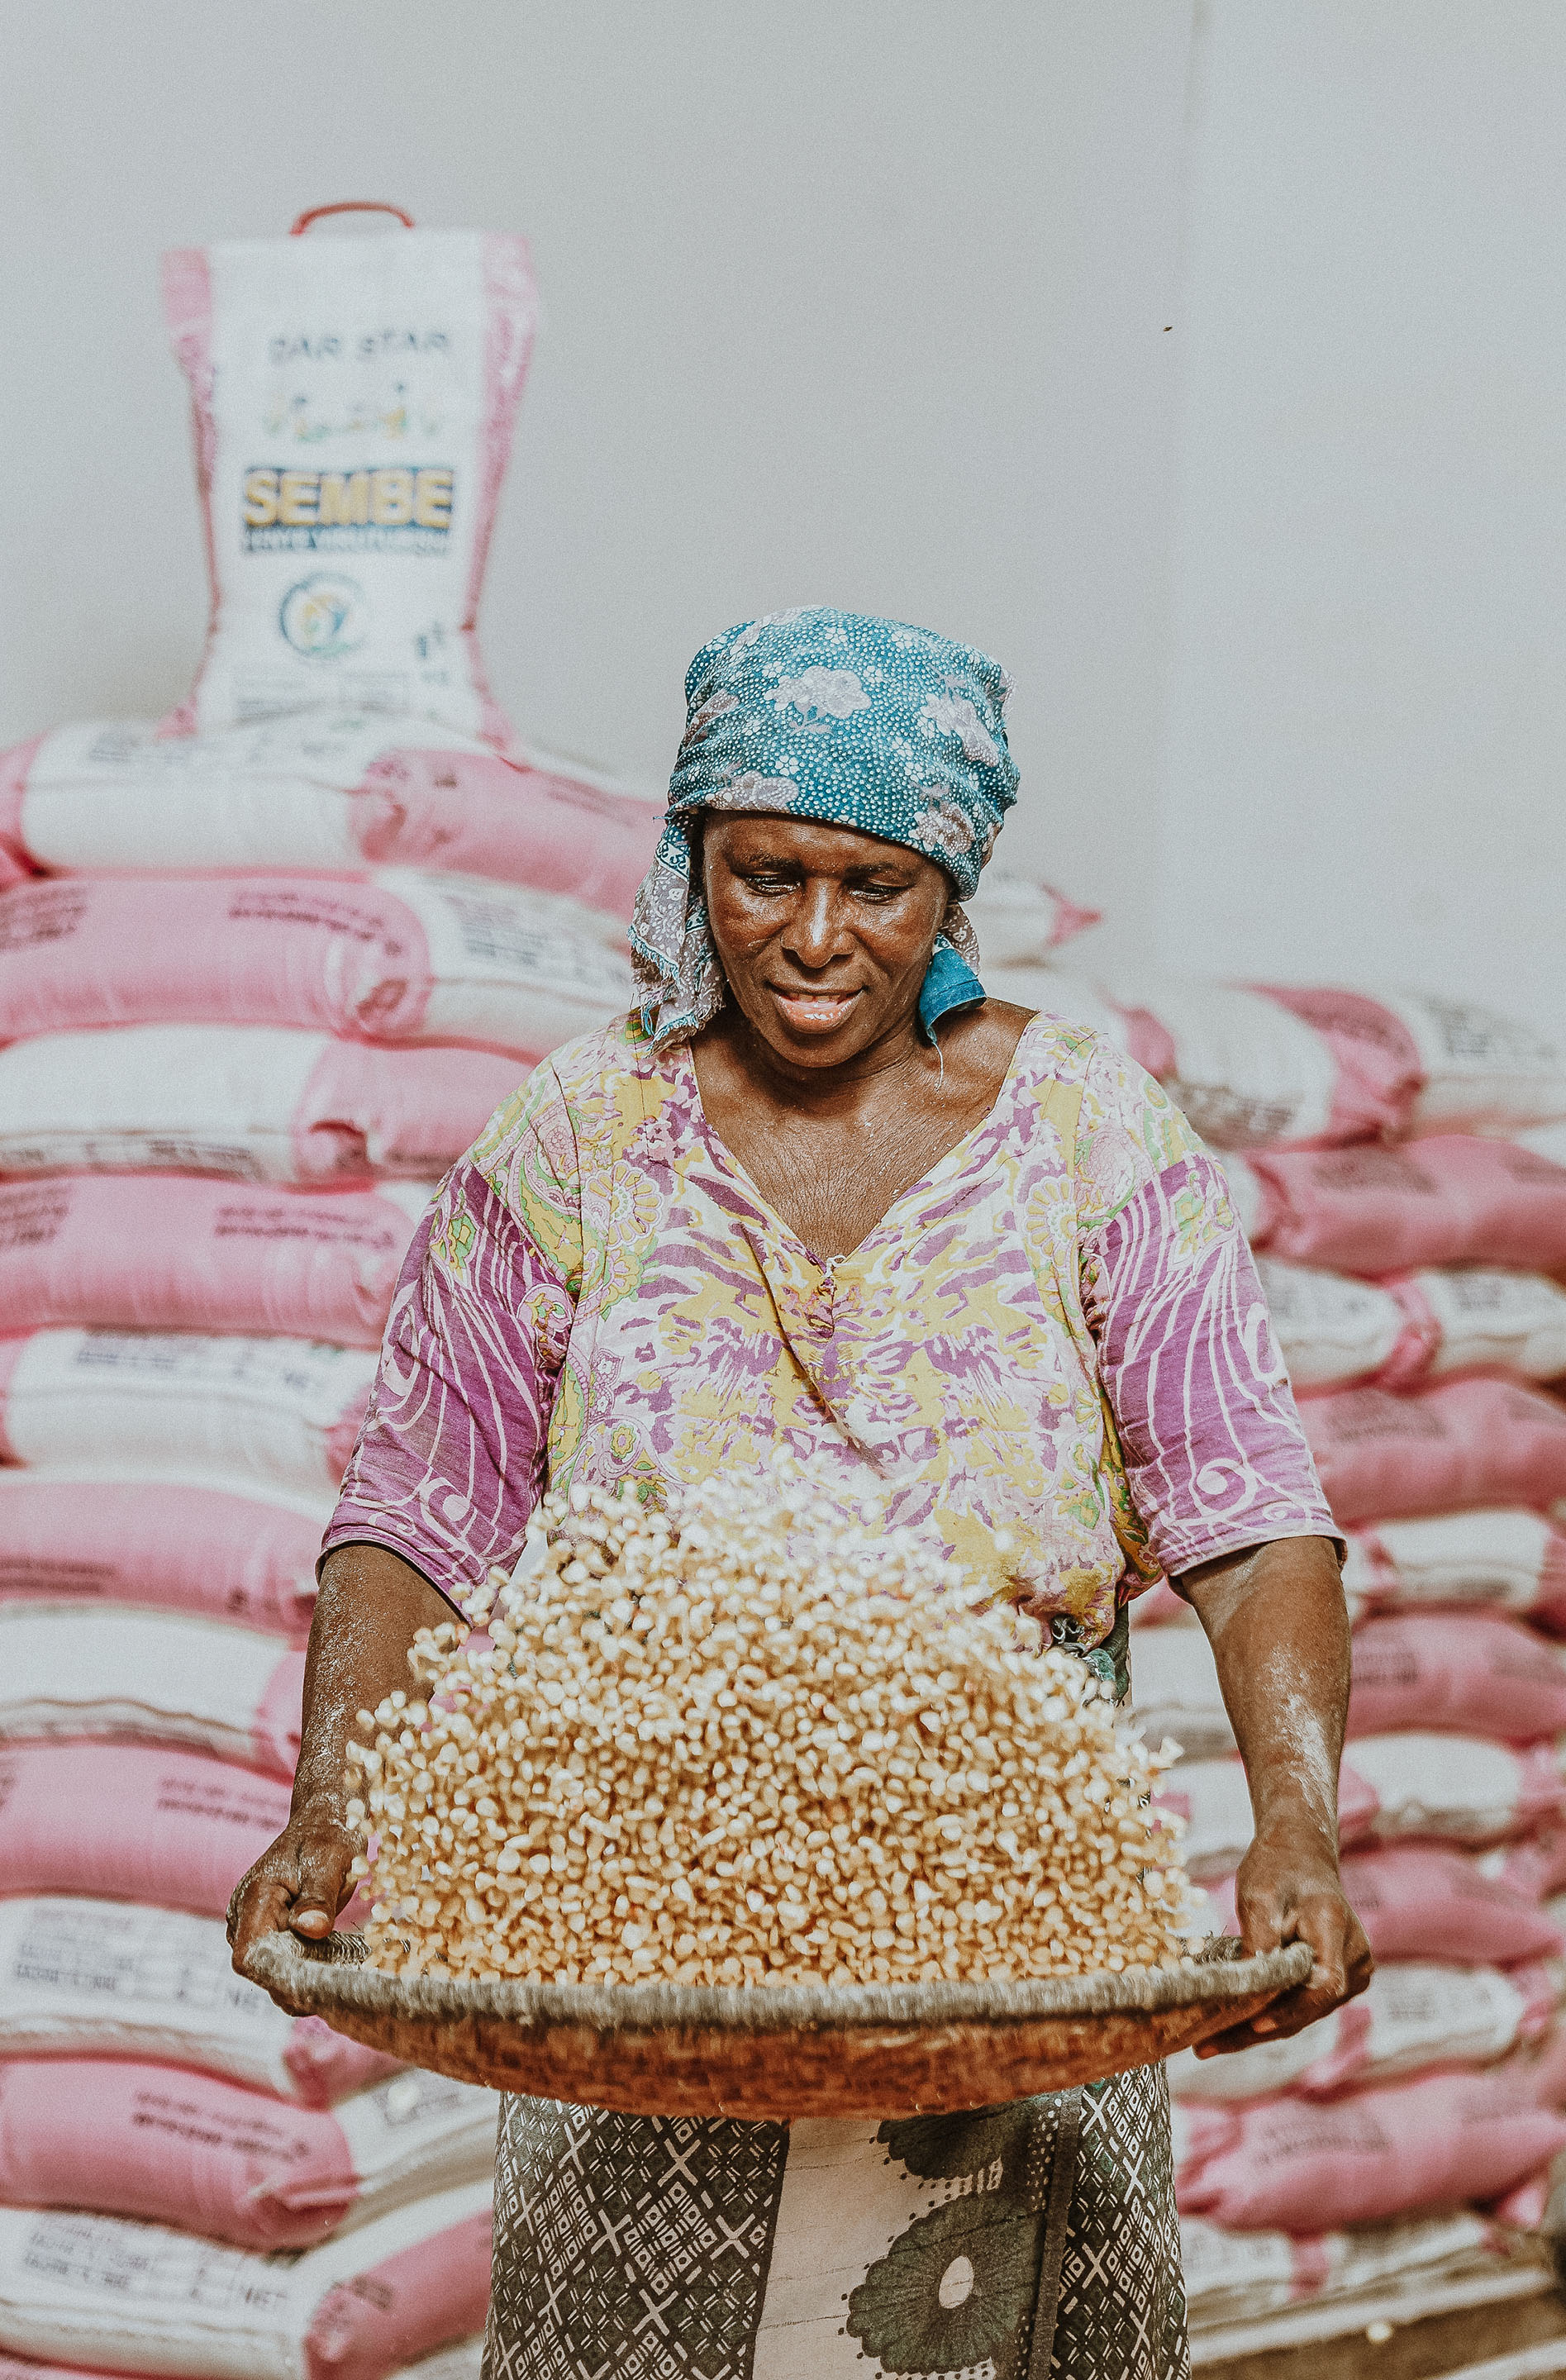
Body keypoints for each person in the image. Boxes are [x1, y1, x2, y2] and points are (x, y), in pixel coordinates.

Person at [231, 607, 1369, 2380]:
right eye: (767, 876)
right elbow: (417, 1510)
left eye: (876, 887)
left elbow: (1248, 1515)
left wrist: (1297, 1816)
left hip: (1010, 1937)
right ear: (694, 859)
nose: (818, 939)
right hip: (635, 1950)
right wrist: (331, 1806)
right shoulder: (582, 1134)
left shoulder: (1087, 1133)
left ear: (950, 890)